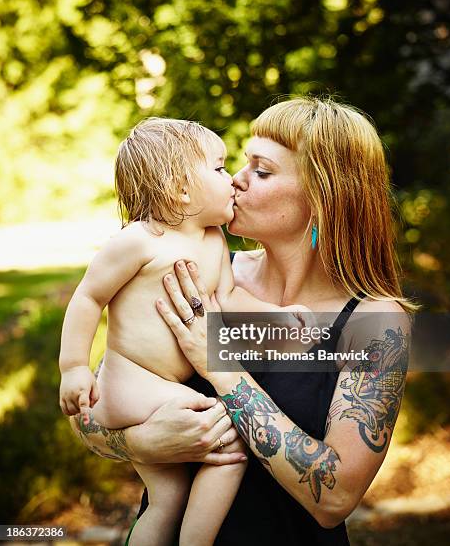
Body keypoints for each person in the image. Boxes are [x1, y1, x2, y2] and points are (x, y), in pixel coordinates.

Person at [72, 96, 412, 545]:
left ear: (323, 197)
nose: (236, 179)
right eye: (241, 163)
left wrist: (221, 367)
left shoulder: (374, 322)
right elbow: (92, 408)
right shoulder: (201, 268)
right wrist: (143, 444)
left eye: (262, 170)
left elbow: (334, 498)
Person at [59, 117, 311, 546]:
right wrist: (74, 367)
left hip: (161, 387)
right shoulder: (140, 241)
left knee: (166, 499)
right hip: (132, 381)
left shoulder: (214, 240)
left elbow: (228, 300)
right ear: (180, 188)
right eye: (218, 168)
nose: (231, 178)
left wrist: (276, 315)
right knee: (230, 445)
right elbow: (87, 298)